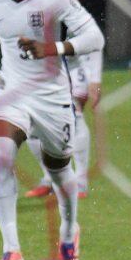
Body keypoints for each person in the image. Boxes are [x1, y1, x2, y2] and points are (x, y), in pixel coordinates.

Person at [0, 0, 104, 260]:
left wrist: (53, 48)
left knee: (60, 170)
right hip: (12, 92)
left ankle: (69, 230)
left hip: (52, 97)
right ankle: (11, 250)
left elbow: (94, 37)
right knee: (0, 155)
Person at [27, 38, 101, 202]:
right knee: (32, 126)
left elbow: (93, 38)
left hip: (73, 69)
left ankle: (80, 182)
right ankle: (49, 180)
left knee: (75, 117)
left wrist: (95, 78)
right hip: (42, 70)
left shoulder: (69, 13)